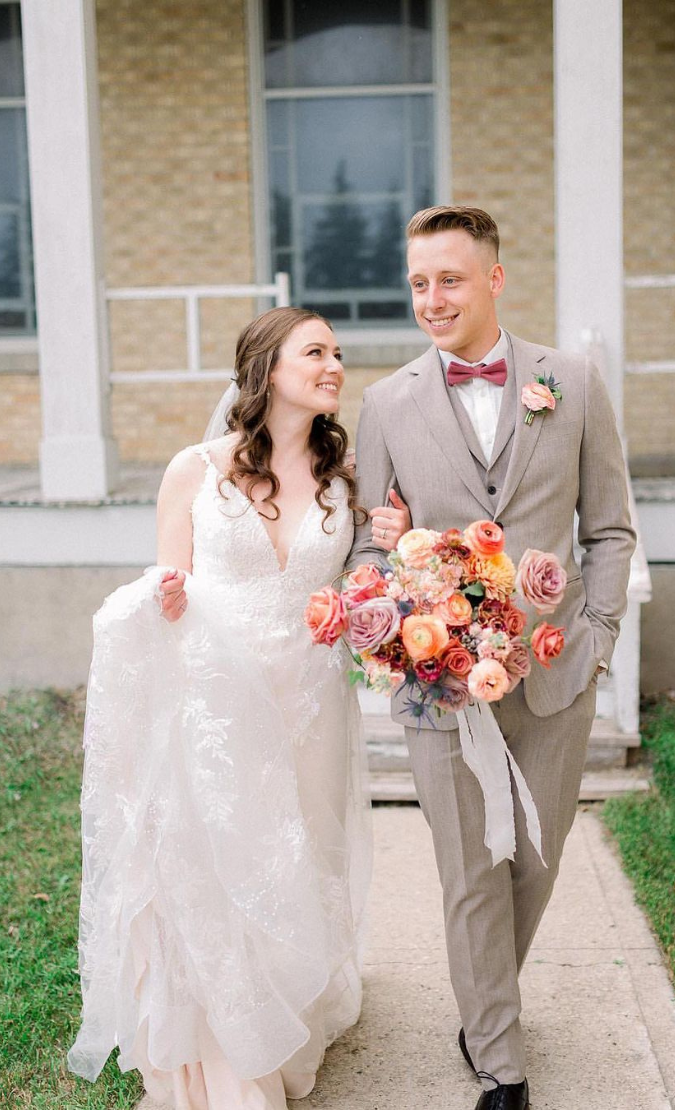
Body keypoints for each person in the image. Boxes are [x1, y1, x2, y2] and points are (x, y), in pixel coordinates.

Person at [67, 306, 411, 1110]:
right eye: (316, 351)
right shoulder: (195, 469)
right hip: (216, 707)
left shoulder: (345, 475)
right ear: (266, 369)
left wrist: (393, 536)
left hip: (312, 706)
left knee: (302, 858)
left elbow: (364, 579)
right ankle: (224, 1046)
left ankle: (291, 1005)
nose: (334, 365)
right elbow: (162, 585)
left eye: (337, 352)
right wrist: (166, 596)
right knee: (222, 868)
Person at [349, 206, 636, 1110]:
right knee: (470, 870)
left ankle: (484, 1004)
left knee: (535, 864)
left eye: (450, 279)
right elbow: (365, 550)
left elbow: (612, 528)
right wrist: (391, 595)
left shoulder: (573, 381)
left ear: (494, 279)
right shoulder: (386, 404)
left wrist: (597, 639)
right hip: (440, 683)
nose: (431, 299)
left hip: (556, 672)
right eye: (419, 282)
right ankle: (502, 1064)